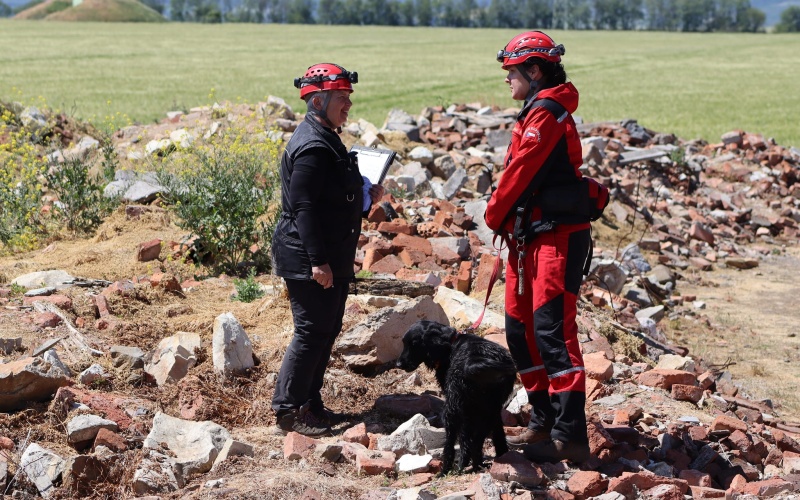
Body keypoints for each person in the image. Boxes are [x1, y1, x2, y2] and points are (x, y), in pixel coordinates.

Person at [485, 31, 593, 463]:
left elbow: (519, 174)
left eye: (511, 72)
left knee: (553, 331)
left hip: (557, 238)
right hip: (531, 237)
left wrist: (493, 215)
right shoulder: (535, 111)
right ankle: (543, 418)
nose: (506, 80)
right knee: (518, 329)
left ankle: (571, 435)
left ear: (534, 70)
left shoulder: (546, 114)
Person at [271, 63, 384, 437]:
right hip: (309, 256)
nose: (348, 104)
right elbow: (303, 208)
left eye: (349, 97)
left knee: (326, 328)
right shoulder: (312, 146)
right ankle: (288, 412)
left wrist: (367, 199)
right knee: (311, 331)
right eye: (342, 98)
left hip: (328, 254)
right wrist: (318, 262)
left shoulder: (326, 136)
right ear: (317, 100)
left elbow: (333, 199)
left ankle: (311, 404)